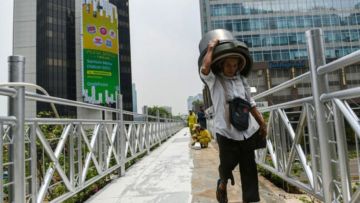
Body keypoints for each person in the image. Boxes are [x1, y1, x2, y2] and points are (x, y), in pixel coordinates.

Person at [199, 39, 267, 203]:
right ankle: (222, 183)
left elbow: (250, 103)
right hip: (226, 131)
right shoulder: (214, 80)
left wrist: (261, 122)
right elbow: (205, 68)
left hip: (246, 129)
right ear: (222, 65)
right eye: (228, 65)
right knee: (227, 165)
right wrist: (211, 48)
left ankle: (250, 200)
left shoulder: (242, 81)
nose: (232, 68)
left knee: (249, 168)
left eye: (235, 65)